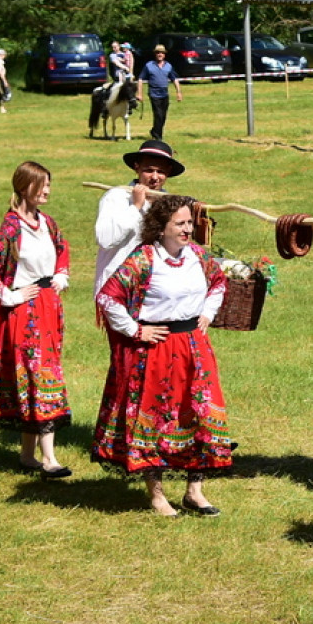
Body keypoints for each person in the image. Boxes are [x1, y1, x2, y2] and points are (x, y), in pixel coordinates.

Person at [93, 194, 231, 517]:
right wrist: (137, 330)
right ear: (161, 227)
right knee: (154, 417)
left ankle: (194, 492)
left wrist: (208, 312)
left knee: (197, 414)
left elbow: (219, 283)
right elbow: (108, 298)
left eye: (189, 223)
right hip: (158, 348)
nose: (187, 229)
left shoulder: (198, 255)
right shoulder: (143, 259)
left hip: (194, 348)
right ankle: (156, 495)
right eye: (180, 224)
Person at [0, 162, 72, 478]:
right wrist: (10, 295)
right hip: (25, 315)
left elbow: (62, 250)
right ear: (25, 186)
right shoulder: (12, 227)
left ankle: (28, 456)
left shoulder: (46, 223)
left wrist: (60, 276)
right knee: (37, 376)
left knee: (42, 373)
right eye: (42, 185)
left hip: (47, 309)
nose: (47, 190)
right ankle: (49, 459)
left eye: (48, 185)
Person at [94, 140, 185, 296]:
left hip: (155, 291)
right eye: (149, 170)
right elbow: (105, 240)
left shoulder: (169, 204)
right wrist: (135, 207)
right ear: (137, 167)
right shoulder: (116, 197)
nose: (155, 177)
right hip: (117, 289)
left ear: (168, 172)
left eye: (161, 172)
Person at [137, 45, 183, 141]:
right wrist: (139, 93)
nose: (160, 54)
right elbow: (140, 79)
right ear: (155, 54)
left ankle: (154, 131)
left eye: (161, 53)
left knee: (163, 116)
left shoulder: (168, 66)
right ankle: (158, 137)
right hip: (154, 94)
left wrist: (178, 92)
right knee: (158, 114)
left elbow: (174, 79)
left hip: (164, 94)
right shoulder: (149, 66)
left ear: (164, 55)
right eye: (158, 53)